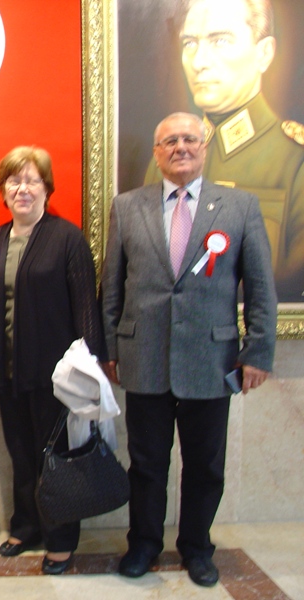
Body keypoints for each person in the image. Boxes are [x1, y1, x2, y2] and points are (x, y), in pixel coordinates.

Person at [104, 113, 277, 587]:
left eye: (189, 139)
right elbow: (112, 286)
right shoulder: (127, 206)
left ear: (204, 147)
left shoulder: (240, 206)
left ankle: (197, 547)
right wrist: (110, 347)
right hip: (144, 358)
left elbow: (260, 287)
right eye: (169, 141)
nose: (180, 147)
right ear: (157, 152)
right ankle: (143, 544)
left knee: (205, 465)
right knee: (146, 465)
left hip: (211, 360)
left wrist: (257, 352)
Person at [0, 146, 104, 575]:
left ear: (47, 188)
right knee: (21, 454)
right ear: (3, 190)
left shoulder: (67, 239)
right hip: (7, 372)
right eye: (14, 181)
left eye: (32, 180)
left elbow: (86, 309)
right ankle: (27, 526)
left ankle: (60, 540)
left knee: (56, 457)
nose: (22, 189)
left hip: (57, 376)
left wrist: (92, 369)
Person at [146, 0, 304, 301]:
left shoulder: (295, 161)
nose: (199, 61)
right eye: (190, 43)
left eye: (220, 41)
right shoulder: (165, 160)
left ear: (264, 54)